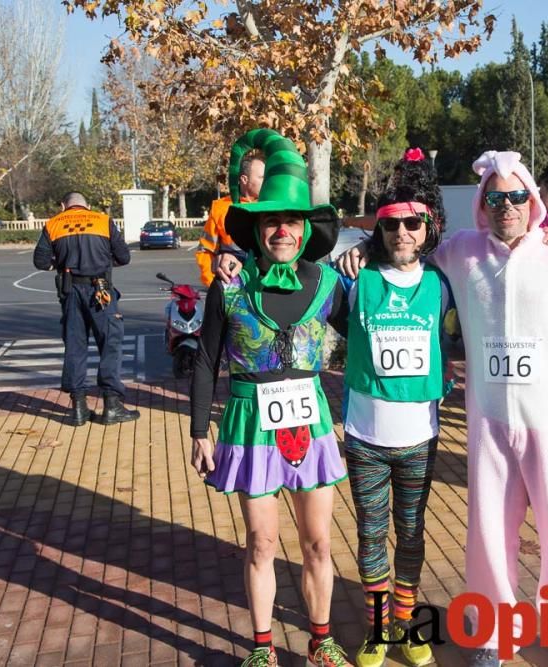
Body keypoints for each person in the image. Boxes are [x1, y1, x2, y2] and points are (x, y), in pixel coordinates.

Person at [340, 150, 548, 667]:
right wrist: (361, 251)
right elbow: (406, 245)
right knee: (488, 529)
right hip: (490, 422)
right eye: (496, 197)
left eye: (517, 196)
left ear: (533, 201)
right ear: (482, 204)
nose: (507, 205)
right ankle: (492, 628)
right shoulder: (461, 254)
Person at [188, 129, 352, 667]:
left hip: (312, 426)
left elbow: (366, 344)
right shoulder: (228, 285)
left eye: (292, 221)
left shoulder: (330, 285)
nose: (282, 230)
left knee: (319, 545)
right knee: (260, 544)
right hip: (248, 424)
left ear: (307, 229)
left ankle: (321, 640)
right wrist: (197, 431)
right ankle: (262, 649)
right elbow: (208, 359)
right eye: (272, 221)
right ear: (258, 229)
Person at [343, 154, 453, 667]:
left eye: (413, 223)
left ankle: (406, 625)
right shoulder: (355, 276)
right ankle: (377, 628)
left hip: (418, 439)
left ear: (429, 226)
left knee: (410, 533)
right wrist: (235, 257)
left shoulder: (443, 283)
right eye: (390, 224)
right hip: (364, 435)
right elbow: (297, 270)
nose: (402, 232)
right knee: (370, 533)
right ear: (380, 228)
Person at [32, 192, 139, 427]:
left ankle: (79, 408)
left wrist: (60, 263)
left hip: (71, 293)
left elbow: (40, 261)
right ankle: (112, 405)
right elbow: (124, 256)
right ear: (87, 205)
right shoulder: (102, 221)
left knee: (75, 346)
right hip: (101, 291)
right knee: (110, 343)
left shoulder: (53, 224)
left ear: (63, 206)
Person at [194, 152, 265, 286]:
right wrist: (214, 283)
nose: (266, 182)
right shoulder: (220, 208)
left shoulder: (272, 207)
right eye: (262, 177)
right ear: (244, 179)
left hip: (264, 285)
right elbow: (205, 251)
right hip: (232, 285)